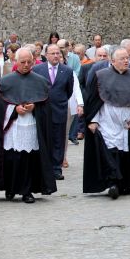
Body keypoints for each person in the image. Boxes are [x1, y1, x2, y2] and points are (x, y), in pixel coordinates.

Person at [0, 48, 56, 204]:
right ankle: (10, 188)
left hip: (31, 125)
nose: (26, 65)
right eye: (23, 62)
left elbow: (46, 107)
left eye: (29, 62)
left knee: (29, 158)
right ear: (16, 61)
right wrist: (14, 109)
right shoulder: (5, 82)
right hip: (12, 126)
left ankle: (27, 191)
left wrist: (35, 107)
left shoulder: (40, 82)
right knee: (11, 158)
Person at [83, 48, 130, 199]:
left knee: (126, 153)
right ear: (112, 61)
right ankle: (112, 183)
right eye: (122, 58)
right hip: (107, 120)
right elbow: (93, 100)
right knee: (110, 152)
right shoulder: (101, 76)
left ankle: (125, 183)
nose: (126, 61)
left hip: (126, 120)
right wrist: (92, 120)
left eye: (127, 58)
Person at [33, 44, 75, 180]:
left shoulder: (67, 71)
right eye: (53, 53)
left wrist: (60, 101)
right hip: (43, 110)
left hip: (59, 109)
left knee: (58, 139)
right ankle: (44, 167)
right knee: (44, 138)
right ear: (46, 55)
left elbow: (69, 91)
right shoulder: (37, 70)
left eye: (58, 53)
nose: (56, 56)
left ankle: (57, 168)